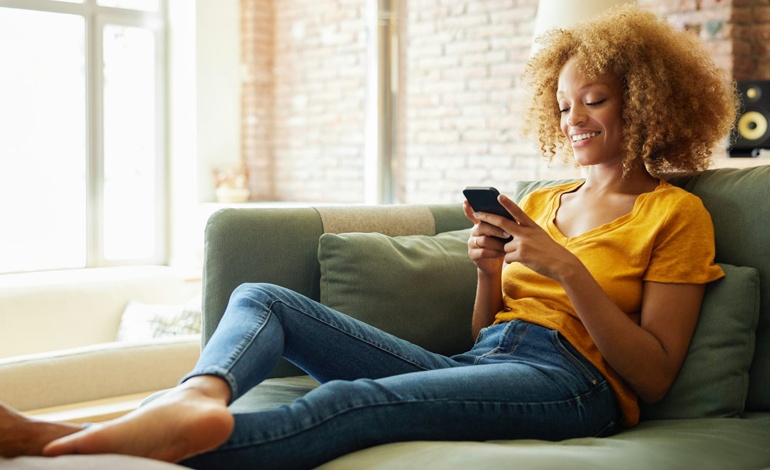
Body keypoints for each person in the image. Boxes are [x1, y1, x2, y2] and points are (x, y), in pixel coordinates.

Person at [0, 4, 739, 469]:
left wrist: (569, 269)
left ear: (645, 101)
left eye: (596, 101)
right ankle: (198, 395)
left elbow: (653, 374)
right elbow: (490, 336)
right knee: (265, 298)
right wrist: (489, 271)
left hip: (577, 387)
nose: (575, 118)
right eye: (564, 103)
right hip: (494, 356)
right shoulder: (546, 199)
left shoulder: (674, 214)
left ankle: (55, 444)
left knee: (358, 399)